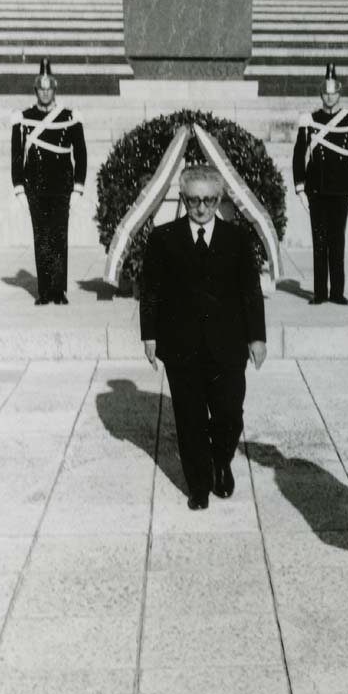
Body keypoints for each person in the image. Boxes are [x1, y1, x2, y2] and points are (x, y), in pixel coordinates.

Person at [139, 165, 267, 511]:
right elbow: (150, 291)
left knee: (229, 415)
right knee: (190, 419)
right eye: (194, 200)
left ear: (219, 199)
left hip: (227, 347)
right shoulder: (163, 239)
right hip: (182, 348)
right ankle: (198, 485)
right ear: (183, 199)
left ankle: (220, 460)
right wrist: (149, 335)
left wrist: (257, 338)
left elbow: (250, 292)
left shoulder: (237, 239)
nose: (201, 208)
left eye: (209, 200)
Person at [11, 58, 87, 304]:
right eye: (41, 89)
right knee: (41, 238)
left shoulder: (70, 117)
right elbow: (16, 156)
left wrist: (78, 187)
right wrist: (19, 189)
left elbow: (81, 154)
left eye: (49, 89)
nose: (45, 93)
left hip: (62, 186)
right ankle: (44, 291)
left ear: (55, 90)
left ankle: (59, 290)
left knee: (59, 237)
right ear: (36, 91)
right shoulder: (23, 118)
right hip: (36, 186)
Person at [292, 63, 348, 305]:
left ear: (339, 94)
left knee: (337, 242)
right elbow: (298, 155)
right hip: (317, 190)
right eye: (325, 93)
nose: (329, 97)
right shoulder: (309, 120)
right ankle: (320, 293)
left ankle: (337, 292)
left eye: (333, 93)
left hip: (342, 190)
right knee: (319, 242)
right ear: (321, 94)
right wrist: (300, 187)